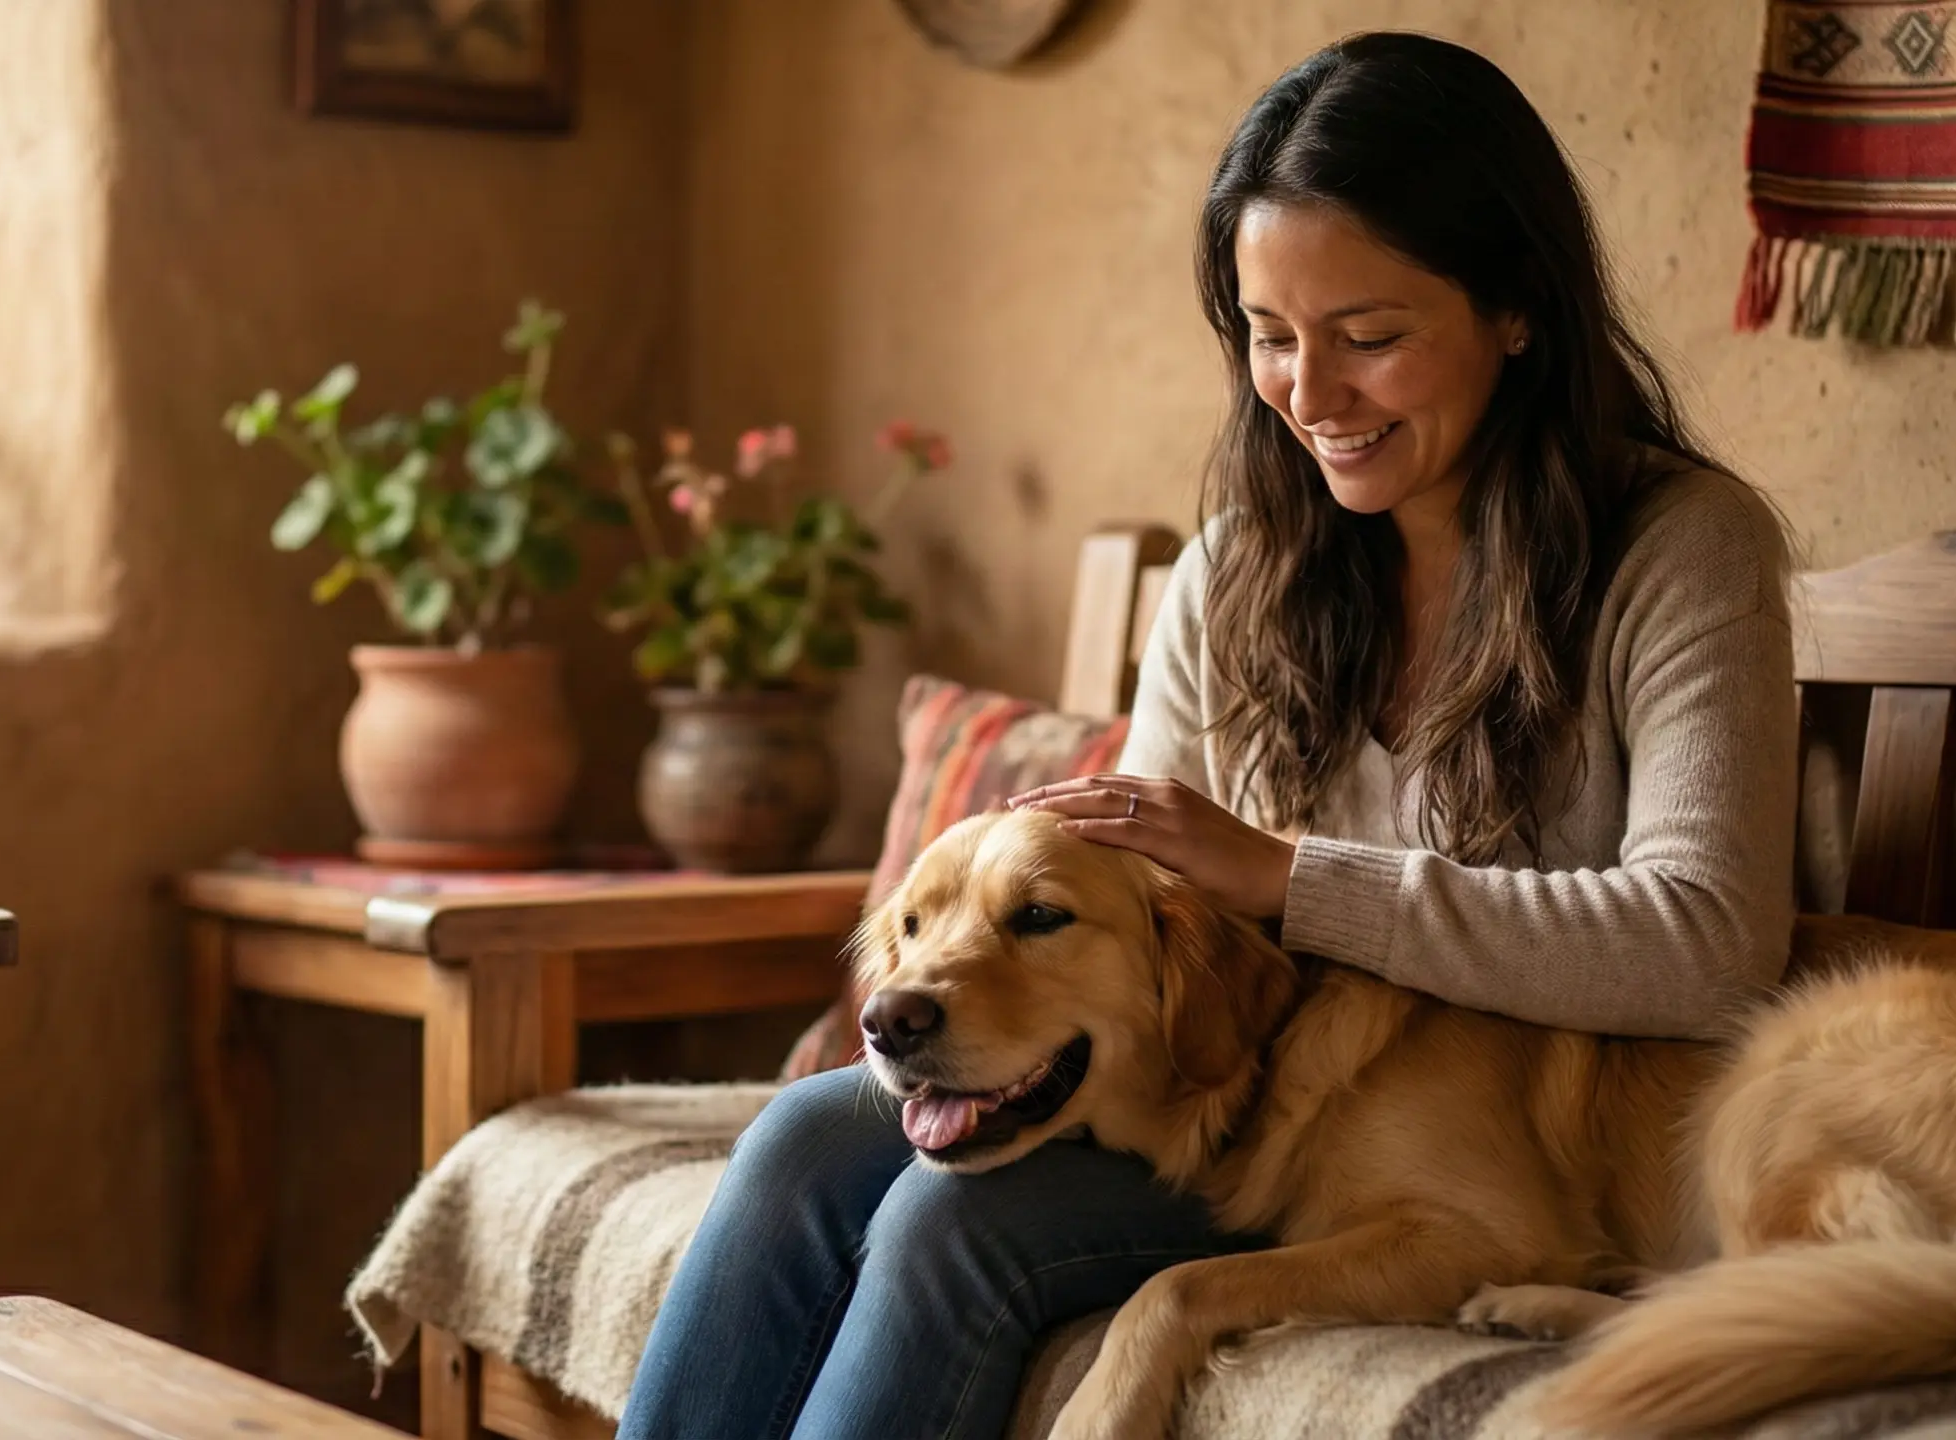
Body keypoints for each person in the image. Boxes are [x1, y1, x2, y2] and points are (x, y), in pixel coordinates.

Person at [619, 30, 1796, 1440]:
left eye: (1370, 337)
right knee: (806, 1135)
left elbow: (1709, 940)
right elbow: (1137, 900)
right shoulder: (1240, 566)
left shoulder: (1677, 548)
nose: (1310, 392)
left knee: (948, 1231)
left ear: (1516, 309)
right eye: (1270, 336)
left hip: (1425, 1147)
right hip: (1229, 1102)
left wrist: (1292, 879)